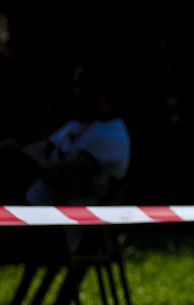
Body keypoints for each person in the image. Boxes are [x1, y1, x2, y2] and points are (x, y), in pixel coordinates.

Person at [19, 61, 131, 207]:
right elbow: (36, 150)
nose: (75, 91)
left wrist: (25, 155)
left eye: (80, 84)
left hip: (68, 224)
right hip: (32, 208)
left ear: (97, 89)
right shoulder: (76, 126)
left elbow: (58, 176)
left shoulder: (112, 135)